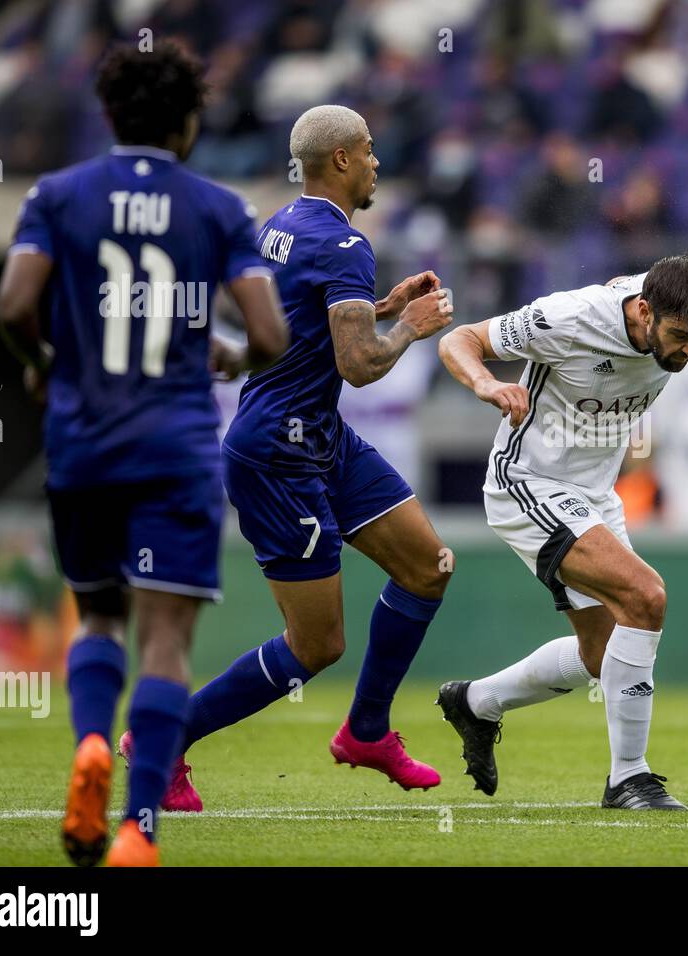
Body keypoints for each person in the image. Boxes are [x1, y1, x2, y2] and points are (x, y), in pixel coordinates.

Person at [0, 41, 289, 866]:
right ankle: (138, 828)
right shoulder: (217, 208)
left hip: (84, 443)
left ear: (110, 115)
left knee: (97, 616)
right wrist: (234, 355)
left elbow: (15, 304)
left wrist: (45, 367)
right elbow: (269, 334)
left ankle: (91, 743)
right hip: (175, 449)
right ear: (189, 122)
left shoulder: (58, 195)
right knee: (166, 642)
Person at [119, 104, 455, 808]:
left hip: (317, 434)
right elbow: (359, 365)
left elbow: (296, 328)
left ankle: (366, 731)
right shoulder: (344, 244)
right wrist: (412, 330)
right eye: (367, 152)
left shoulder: (279, 227)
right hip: (278, 453)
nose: (375, 164)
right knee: (316, 644)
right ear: (339, 159)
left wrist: (381, 306)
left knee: (428, 567)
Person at [436, 253, 688, 809]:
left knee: (602, 656)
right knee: (645, 597)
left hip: (595, 496)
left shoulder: (678, 316)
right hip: (529, 483)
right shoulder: (569, 318)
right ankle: (629, 778)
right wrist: (486, 383)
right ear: (644, 310)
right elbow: (461, 339)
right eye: (679, 336)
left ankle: (477, 702)